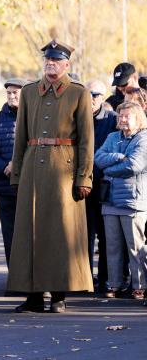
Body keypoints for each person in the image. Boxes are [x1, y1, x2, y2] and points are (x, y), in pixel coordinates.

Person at [8, 39, 94, 313]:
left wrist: (84, 177)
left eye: (56, 61)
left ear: (66, 64)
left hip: (64, 172)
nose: (50, 64)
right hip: (33, 169)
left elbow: (86, 141)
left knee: (59, 235)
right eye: (47, 60)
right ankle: (33, 296)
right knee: (31, 234)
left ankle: (58, 295)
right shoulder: (30, 92)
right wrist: (17, 173)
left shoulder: (78, 93)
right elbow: (20, 137)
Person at [94, 101, 147, 302]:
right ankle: (114, 284)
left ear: (138, 118)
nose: (122, 120)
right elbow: (98, 158)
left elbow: (133, 165)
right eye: (120, 116)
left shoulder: (144, 138)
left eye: (127, 116)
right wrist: (117, 157)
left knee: (135, 247)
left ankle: (139, 286)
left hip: (133, 202)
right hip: (110, 201)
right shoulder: (112, 137)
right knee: (112, 246)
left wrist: (109, 169)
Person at [0, 78, 25, 267]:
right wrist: (4, 167)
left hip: (28, 186)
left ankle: (32, 281)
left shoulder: (32, 116)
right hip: (5, 186)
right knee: (9, 235)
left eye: (15, 93)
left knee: (28, 234)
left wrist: (18, 166)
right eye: (9, 93)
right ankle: (14, 278)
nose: (11, 96)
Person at [85, 79, 118, 294]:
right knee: (84, 234)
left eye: (96, 95)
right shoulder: (78, 118)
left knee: (106, 236)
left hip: (106, 184)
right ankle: (85, 278)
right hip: (84, 184)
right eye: (88, 94)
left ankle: (106, 278)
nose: (92, 99)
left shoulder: (113, 119)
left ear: (103, 97)